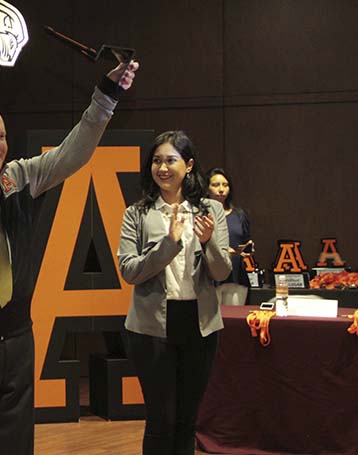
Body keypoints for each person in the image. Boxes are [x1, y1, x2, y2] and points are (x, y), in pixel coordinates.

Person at [0, 34, 138, 455]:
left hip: (17, 339)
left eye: (1, 136)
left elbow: (74, 152)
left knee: (17, 447)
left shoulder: (17, 178)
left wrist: (107, 94)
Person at [117, 131, 231, 455]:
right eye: (156, 161)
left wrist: (209, 242)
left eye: (170, 160)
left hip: (200, 323)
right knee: (160, 420)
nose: (162, 168)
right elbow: (129, 271)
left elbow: (221, 273)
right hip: (152, 328)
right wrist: (169, 244)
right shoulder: (137, 213)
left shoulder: (211, 209)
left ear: (189, 165)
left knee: (187, 421)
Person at [206, 168, 253, 305]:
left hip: (236, 276)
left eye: (225, 185)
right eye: (216, 185)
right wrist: (225, 251)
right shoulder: (201, 213)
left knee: (235, 321)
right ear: (207, 188)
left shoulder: (239, 214)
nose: (221, 189)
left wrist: (248, 247)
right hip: (210, 276)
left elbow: (245, 239)